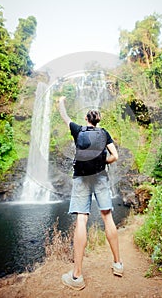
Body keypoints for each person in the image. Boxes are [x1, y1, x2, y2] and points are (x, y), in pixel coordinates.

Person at [58, 96, 123, 291]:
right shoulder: (104, 133)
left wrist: (61, 101)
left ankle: (77, 276)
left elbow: (64, 115)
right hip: (101, 177)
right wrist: (104, 162)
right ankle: (118, 264)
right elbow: (115, 156)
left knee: (81, 220)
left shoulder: (77, 130)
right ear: (98, 120)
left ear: (86, 119)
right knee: (107, 217)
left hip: (81, 178)